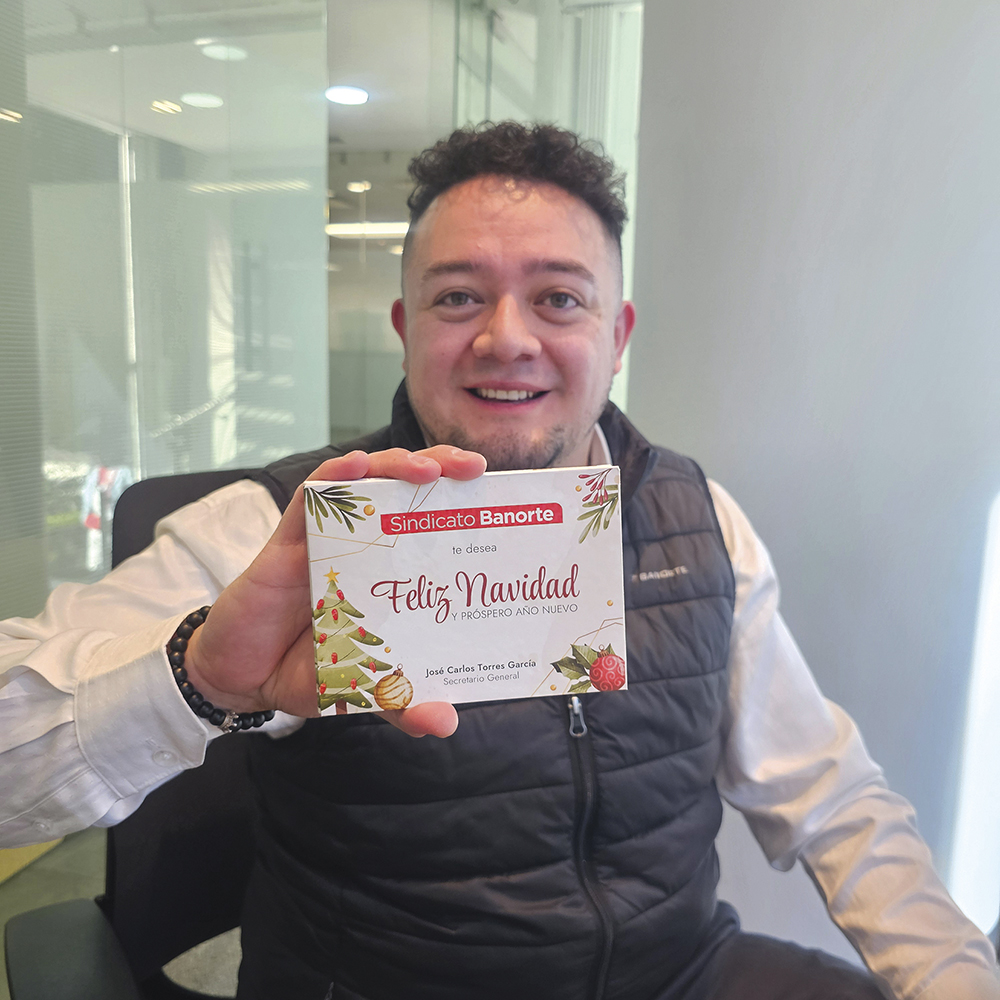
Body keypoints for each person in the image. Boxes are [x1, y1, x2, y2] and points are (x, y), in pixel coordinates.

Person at [1, 122, 997, 1000]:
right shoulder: (279, 535)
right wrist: (196, 681)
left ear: (616, 335)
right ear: (405, 330)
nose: (506, 338)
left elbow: (832, 796)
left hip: (679, 971)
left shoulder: (698, 519)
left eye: (558, 298)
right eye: (458, 297)